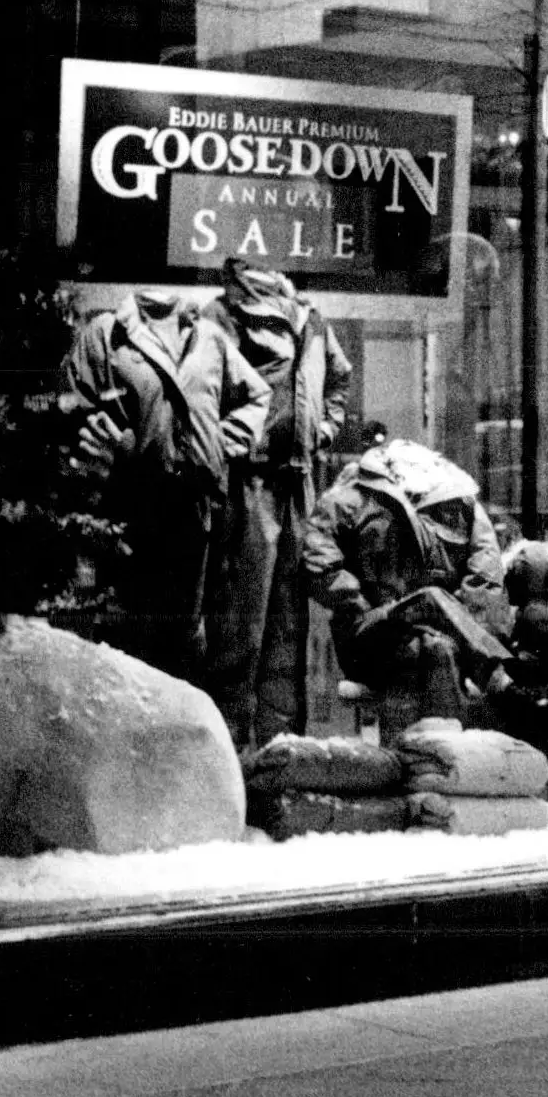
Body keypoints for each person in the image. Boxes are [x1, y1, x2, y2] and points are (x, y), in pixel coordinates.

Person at [60, 288, 271, 683]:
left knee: (185, 634)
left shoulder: (207, 336)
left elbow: (256, 395)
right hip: (129, 503)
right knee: (129, 632)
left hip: (193, 506)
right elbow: (73, 403)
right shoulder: (106, 334)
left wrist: (217, 445)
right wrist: (108, 445)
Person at [202, 259, 352, 747]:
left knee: (289, 620)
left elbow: (338, 380)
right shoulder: (221, 316)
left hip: (297, 485)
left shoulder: (310, 319)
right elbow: (206, 391)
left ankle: (281, 750)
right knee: (242, 621)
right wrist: (233, 444)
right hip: (249, 483)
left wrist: (323, 431)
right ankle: (233, 749)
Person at [301, 437, 515, 736]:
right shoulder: (347, 499)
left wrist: (464, 628)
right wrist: (361, 609)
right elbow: (320, 565)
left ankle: (434, 760)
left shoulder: (460, 503)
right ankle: (491, 674)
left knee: (434, 648)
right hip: (370, 632)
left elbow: (485, 578)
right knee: (430, 606)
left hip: (441, 636)